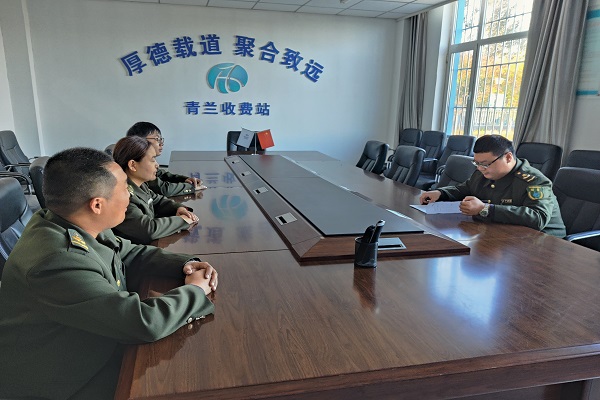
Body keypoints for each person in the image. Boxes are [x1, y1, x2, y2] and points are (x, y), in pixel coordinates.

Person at [0, 147, 218, 400]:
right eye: (125, 188)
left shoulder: (71, 219)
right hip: (64, 380)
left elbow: (129, 252)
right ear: (97, 204)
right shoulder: (55, 262)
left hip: (89, 342)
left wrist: (186, 264)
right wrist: (195, 290)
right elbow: (141, 322)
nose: (130, 194)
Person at [419, 134, 566, 237]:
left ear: (508, 157)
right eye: (476, 163)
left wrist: (485, 209)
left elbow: (538, 218)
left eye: (485, 164)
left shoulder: (534, 181)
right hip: (505, 235)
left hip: (543, 242)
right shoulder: (484, 172)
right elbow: (466, 188)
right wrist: (440, 193)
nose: (480, 168)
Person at [111, 135, 199, 244]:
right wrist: (182, 221)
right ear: (133, 165)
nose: (157, 165)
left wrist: (178, 208)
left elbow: (157, 201)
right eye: (152, 160)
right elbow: (148, 230)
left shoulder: (140, 184)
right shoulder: (123, 195)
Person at [126, 121, 205, 196]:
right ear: (140, 141)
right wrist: (191, 187)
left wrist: (185, 179)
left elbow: (161, 174)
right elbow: (164, 189)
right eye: (157, 139)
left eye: (161, 139)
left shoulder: (144, 159)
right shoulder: (139, 163)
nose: (161, 143)